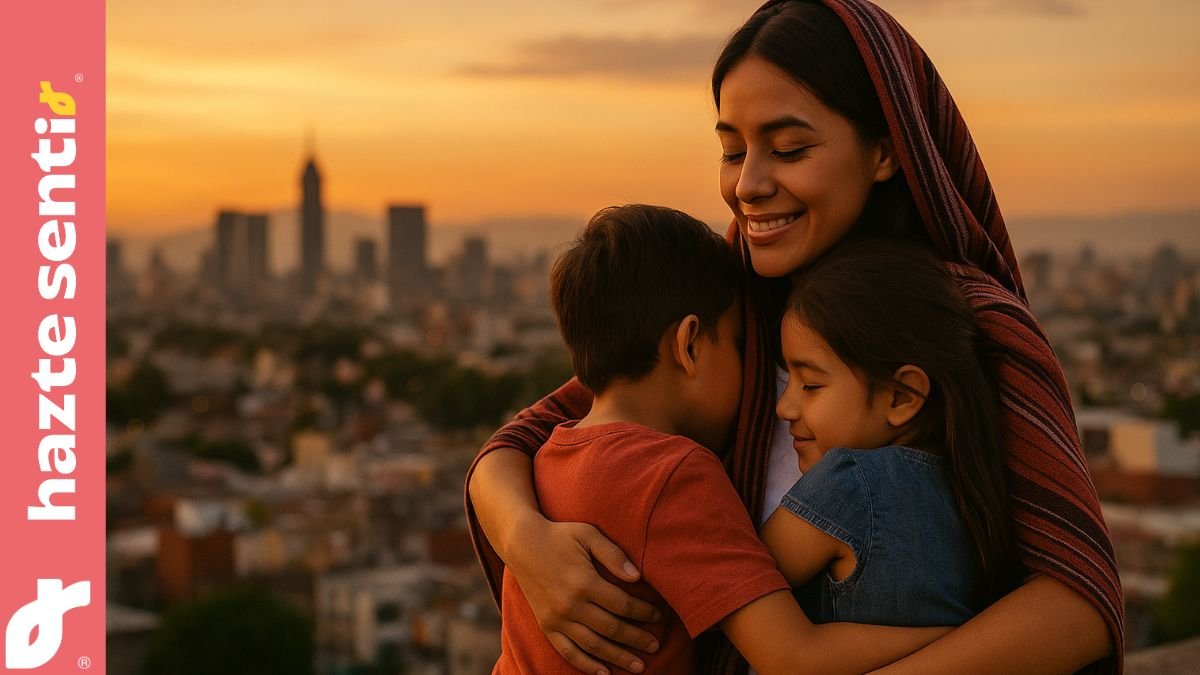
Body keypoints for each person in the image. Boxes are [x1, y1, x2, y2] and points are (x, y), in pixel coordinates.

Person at [466, 1, 1123, 673]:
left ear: (885, 150)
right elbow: (524, 441)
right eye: (730, 150)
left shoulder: (960, 323)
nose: (748, 184)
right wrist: (528, 542)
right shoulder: (733, 311)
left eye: (788, 149)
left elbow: (1077, 604)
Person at [496, 205, 949, 675]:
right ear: (689, 345)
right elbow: (792, 656)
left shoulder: (547, 456)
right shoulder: (670, 474)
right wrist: (957, 635)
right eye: (737, 344)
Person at [759, 238, 1022, 630]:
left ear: (901, 397)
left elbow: (733, 583)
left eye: (810, 385)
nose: (784, 407)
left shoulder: (849, 485)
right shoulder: (973, 492)